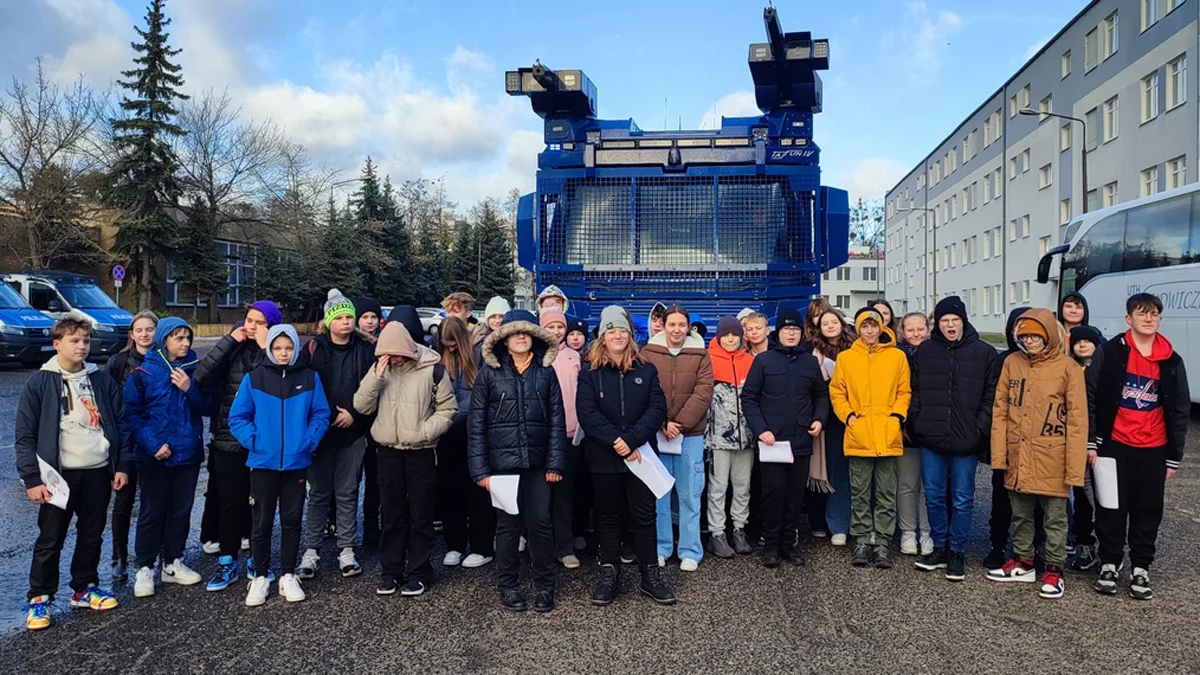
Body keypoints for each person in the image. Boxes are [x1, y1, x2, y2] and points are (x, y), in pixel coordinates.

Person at [16, 312, 129, 630]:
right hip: (58, 476)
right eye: (74, 340)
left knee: (92, 535)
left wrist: (121, 466)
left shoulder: (101, 380)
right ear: (57, 344)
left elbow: (120, 424)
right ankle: (40, 598)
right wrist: (32, 478)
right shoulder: (40, 383)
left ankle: (84, 587)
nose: (82, 346)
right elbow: (24, 436)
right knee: (51, 538)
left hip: (97, 471)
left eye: (86, 340)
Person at [1092, 293, 1190, 600]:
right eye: (1142, 313)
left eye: (1154, 314)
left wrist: (1173, 457)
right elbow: (1090, 397)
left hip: (1154, 447)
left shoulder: (1172, 361)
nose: (1148, 318)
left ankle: (1140, 567)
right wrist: (1091, 442)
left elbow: (1180, 409)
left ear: (1160, 319)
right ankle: (1109, 562)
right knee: (1110, 507)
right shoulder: (1109, 352)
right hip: (1113, 444)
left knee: (1148, 510)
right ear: (1128, 319)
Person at [468, 310, 567, 612]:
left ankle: (545, 586)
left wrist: (555, 464)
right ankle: (508, 585)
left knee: (540, 524)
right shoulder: (489, 372)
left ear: (535, 336)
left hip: (538, 464)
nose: (521, 337)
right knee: (508, 527)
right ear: (504, 339)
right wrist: (481, 469)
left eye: (526, 332)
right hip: (502, 464)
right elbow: (476, 424)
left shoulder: (546, 371)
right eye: (514, 332)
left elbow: (556, 421)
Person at [986, 309, 1086, 599]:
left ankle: (1054, 569)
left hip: (1052, 454)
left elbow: (1078, 420)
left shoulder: (1068, 368)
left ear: (1049, 336)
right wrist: (999, 455)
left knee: (1055, 518)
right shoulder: (1012, 363)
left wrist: (1074, 466)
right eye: (1025, 335)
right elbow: (1000, 410)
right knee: (1020, 513)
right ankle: (1023, 561)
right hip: (1018, 453)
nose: (1030, 341)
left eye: (1036, 335)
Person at [576, 306, 673, 606]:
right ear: (602, 337)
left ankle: (650, 576)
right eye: (611, 330)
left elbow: (657, 407)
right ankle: (609, 574)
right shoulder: (589, 374)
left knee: (645, 516)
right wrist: (615, 441)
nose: (617, 335)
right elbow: (587, 414)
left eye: (622, 330)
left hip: (640, 454)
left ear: (630, 335)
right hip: (604, 458)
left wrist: (631, 440)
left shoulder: (646, 369)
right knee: (608, 517)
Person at [354, 319, 458, 597]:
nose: (394, 359)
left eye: (397, 354)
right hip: (387, 451)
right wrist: (376, 375)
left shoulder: (433, 370)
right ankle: (391, 572)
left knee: (421, 515)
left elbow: (448, 409)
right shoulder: (380, 370)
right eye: (388, 354)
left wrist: (425, 432)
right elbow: (361, 406)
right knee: (391, 515)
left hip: (421, 452)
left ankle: (420, 572)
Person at [229, 325, 330, 607]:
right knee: (260, 523)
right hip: (263, 463)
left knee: (292, 521)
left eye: (288, 348)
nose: (283, 353)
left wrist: (308, 442)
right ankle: (260, 576)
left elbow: (321, 413)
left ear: (295, 349)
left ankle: (287, 574)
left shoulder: (309, 378)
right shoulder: (255, 379)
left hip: (297, 463)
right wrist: (254, 440)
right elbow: (238, 417)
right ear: (270, 349)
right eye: (277, 348)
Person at [910, 295, 1000, 582]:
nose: (950, 325)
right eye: (945, 320)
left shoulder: (984, 353)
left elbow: (991, 395)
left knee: (962, 497)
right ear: (938, 323)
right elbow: (914, 390)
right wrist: (917, 421)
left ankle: (957, 551)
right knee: (934, 496)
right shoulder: (925, 351)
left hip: (967, 439)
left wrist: (979, 429)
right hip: (931, 436)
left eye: (955, 320)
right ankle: (940, 547)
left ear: (963, 321)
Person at [124, 317, 215, 598]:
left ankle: (173, 562)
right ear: (164, 340)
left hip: (187, 454)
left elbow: (209, 406)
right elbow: (132, 415)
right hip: (154, 457)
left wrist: (190, 389)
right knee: (152, 511)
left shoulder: (195, 370)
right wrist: (153, 445)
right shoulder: (144, 373)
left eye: (187, 338)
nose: (185, 343)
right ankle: (145, 567)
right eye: (178, 338)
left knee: (180, 510)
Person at [195, 300, 281, 591]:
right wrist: (230, 340)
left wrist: (266, 345)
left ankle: (257, 562)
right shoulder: (233, 347)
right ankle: (226, 562)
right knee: (230, 504)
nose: (252, 326)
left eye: (260, 322)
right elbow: (202, 376)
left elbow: (273, 381)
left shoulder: (277, 350)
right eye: (249, 319)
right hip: (228, 440)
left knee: (258, 506)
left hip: (263, 442)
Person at [297, 290, 376, 580]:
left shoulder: (365, 349)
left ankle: (346, 549)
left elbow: (373, 388)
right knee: (318, 494)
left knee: (348, 492)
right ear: (328, 321)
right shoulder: (313, 350)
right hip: (320, 433)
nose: (345, 322)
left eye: (348, 317)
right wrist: (329, 416)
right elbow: (303, 389)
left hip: (354, 432)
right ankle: (311, 551)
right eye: (339, 317)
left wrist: (355, 414)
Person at [742, 308, 829, 568]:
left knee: (794, 495)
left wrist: (819, 419)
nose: (791, 334)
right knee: (772, 493)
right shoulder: (764, 361)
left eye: (795, 330)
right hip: (772, 441)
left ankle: (789, 543)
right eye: (786, 330)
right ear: (777, 333)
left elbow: (821, 396)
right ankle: (770, 545)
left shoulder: (810, 362)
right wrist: (760, 429)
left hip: (801, 440)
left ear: (801, 333)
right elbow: (749, 398)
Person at [829, 308, 911, 569]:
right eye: (865, 326)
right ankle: (863, 539)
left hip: (887, 433)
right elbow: (837, 392)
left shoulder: (896, 357)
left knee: (886, 492)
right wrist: (848, 416)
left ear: (882, 327)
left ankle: (883, 541)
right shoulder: (846, 358)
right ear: (858, 329)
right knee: (860, 491)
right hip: (859, 433)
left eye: (874, 326)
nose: (870, 331)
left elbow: (904, 390)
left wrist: (897, 416)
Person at [641, 305, 714, 572]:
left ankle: (690, 550)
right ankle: (660, 548)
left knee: (690, 495)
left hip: (690, 435)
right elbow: (645, 390)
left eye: (681, 325)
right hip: (657, 434)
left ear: (688, 327)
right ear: (664, 325)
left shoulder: (701, 354)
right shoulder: (648, 353)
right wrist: (661, 423)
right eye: (671, 324)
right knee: (658, 494)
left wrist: (680, 424)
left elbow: (703, 392)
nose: (676, 330)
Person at [435, 317, 495, 570]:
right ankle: (454, 545)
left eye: (453, 345)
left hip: (474, 431)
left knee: (478, 491)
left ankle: (482, 546)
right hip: (447, 433)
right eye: (445, 345)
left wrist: (455, 417)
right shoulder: (438, 359)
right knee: (450, 492)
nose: (450, 349)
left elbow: (483, 395)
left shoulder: (480, 356)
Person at [105, 310, 157, 582]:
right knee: (124, 501)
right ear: (132, 334)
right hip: (126, 441)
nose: (145, 334)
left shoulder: (163, 359)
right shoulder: (119, 361)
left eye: (150, 329)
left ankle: (149, 553)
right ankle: (119, 556)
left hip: (155, 440)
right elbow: (106, 398)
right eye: (140, 330)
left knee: (153, 500)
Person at [983, 306, 1036, 570]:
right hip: (1006, 441)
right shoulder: (1002, 361)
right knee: (1001, 498)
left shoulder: (1051, 362)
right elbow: (994, 402)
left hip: (1038, 444)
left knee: (1036, 501)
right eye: (1017, 327)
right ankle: (998, 545)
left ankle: (1031, 549)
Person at [704, 316, 756, 558]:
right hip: (718, 438)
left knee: (743, 485)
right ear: (718, 336)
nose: (731, 339)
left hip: (746, 437)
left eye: (734, 334)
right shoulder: (708, 360)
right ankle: (717, 532)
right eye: (725, 334)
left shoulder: (751, 361)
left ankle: (739, 528)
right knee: (718, 487)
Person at [539, 309, 585, 568]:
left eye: (560, 326)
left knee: (565, 495)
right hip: (542, 437)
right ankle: (541, 545)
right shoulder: (537, 356)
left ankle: (564, 546)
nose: (556, 331)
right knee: (540, 495)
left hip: (570, 435)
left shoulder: (573, 357)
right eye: (551, 326)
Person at [810, 309, 857, 547]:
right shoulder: (814, 351)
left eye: (834, 321)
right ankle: (837, 524)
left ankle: (858, 523)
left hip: (856, 415)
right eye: (825, 323)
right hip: (829, 416)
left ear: (842, 323)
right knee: (835, 470)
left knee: (859, 472)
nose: (830, 325)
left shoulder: (857, 347)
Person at [896, 312, 933, 556]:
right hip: (904, 427)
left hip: (932, 428)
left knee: (930, 487)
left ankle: (928, 532)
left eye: (920, 329)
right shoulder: (896, 356)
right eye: (911, 330)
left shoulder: (936, 354)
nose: (916, 334)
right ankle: (908, 532)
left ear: (928, 329)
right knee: (907, 484)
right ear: (902, 332)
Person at [1068, 324, 1104, 572]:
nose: (1082, 345)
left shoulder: (1104, 370)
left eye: (1087, 342)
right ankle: (1084, 543)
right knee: (1081, 496)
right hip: (1076, 442)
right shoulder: (1070, 369)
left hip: (1101, 443)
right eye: (1077, 342)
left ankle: (1108, 547)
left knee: (1103, 497)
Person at [354, 297, 383, 546]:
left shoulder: (384, 343)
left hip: (377, 423)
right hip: (354, 420)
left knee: (375, 480)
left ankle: (372, 527)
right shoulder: (353, 344)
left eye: (373, 317)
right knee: (350, 482)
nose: (370, 321)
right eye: (365, 317)